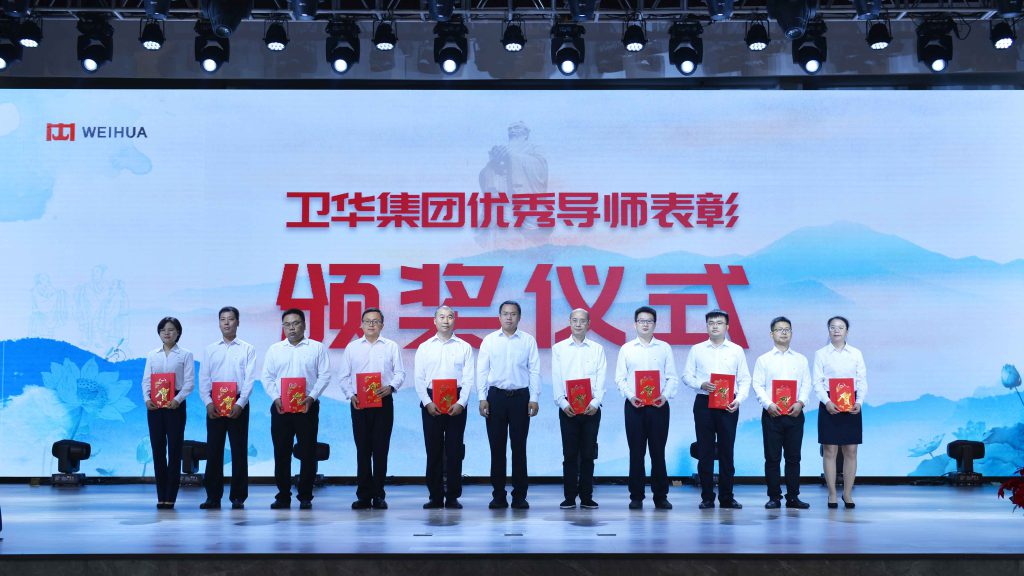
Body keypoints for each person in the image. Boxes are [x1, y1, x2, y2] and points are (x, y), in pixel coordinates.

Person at [262, 308, 331, 510]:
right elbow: (266, 377)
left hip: (307, 407)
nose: (291, 328)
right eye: (287, 324)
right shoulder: (275, 349)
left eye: (296, 323)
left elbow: (325, 375)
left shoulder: (316, 348)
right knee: (281, 452)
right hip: (281, 407)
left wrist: (312, 397)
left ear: (304, 325)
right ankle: (283, 496)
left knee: (307, 452)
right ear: (283, 327)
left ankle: (305, 496)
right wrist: (276, 398)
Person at [683, 309, 751, 510]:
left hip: (728, 404)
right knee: (705, 451)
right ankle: (707, 497)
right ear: (706, 326)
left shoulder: (736, 350)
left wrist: (738, 400)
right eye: (711, 323)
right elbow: (686, 376)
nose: (715, 326)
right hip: (704, 403)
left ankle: (727, 497)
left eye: (719, 323)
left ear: (727, 326)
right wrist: (701, 384)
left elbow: (744, 379)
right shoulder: (697, 349)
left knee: (726, 451)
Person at [339, 307, 405, 510]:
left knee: (381, 450)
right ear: (361, 325)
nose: (371, 324)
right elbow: (343, 376)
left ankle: (378, 495)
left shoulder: (391, 346)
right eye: (367, 321)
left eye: (375, 321)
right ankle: (363, 496)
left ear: (382, 325)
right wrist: (351, 395)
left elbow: (400, 373)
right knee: (363, 450)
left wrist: (391, 387)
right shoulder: (352, 348)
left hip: (383, 402)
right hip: (359, 403)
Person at [477, 300, 540, 509]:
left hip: (521, 398)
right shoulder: (489, 341)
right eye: (505, 313)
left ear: (519, 317)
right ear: (499, 316)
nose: (509, 317)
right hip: (495, 398)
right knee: (497, 448)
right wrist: (482, 397)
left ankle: (519, 496)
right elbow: (482, 371)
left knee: (519, 448)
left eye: (513, 314)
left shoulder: (528, 340)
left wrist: (534, 398)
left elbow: (534, 371)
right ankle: (498, 495)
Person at [615, 306, 678, 510]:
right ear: (635, 324)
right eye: (641, 321)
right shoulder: (627, 349)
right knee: (636, 452)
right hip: (634, 406)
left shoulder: (664, 348)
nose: (645, 324)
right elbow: (620, 378)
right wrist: (631, 396)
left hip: (659, 406)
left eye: (649, 321)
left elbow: (672, 377)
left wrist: (664, 396)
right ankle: (636, 496)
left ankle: (661, 496)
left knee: (658, 452)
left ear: (655, 324)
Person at [414, 305, 474, 510]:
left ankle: (453, 496)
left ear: (454, 320)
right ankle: (435, 496)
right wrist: (427, 402)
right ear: (434, 321)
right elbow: (419, 378)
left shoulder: (464, 347)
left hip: (456, 400)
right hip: (431, 400)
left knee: (455, 451)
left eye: (449, 317)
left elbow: (468, 378)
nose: (446, 320)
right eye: (441, 317)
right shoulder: (424, 347)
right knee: (433, 450)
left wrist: (461, 403)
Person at [198, 306, 255, 510]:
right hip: (215, 403)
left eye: (231, 319)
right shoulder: (210, 349)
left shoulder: (247, 349)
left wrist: (240, 403)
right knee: (214, 450)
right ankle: (213, 496)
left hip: (238, 403)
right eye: (223, 319)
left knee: (239, 450)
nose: (227, 323)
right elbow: (204, 379)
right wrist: (208, 402)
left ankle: (238, 496)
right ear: (219, 323)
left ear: (238, 322)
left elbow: (249, 380)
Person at [751, 316, 811, 510]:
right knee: (772, 458)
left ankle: (793, 497)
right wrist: (768, 404)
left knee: (794, 458)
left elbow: (806, 384)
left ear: (791, 333)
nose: (783, 332)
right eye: (779, 329)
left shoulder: (801, 359)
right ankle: (774, 497)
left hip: (795, 414)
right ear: (771, 334)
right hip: (772, 415)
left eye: (787, 329)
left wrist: (801, 402)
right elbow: (757, 385)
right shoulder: (763, 360)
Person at [552, 309, 607, 510]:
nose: (578, 324)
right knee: (569, 454)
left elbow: (601, 377)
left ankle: (586, 496)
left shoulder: (597, 349)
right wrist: (562, 402)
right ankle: (569, 496)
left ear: (588, 324)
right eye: (574, 320)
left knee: (588, 454)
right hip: (568, 407)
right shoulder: (559, 348)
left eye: (582, 321)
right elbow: (556, 378)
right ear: (569, 322)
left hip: (591, 407)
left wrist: (596, 402)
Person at [813, 315, 867, 509]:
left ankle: (847, 494)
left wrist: (859, 402)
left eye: (840, 327)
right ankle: (832, 494)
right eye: (832, 327)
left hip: (851, 403)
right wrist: (827, 401)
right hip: (829, 403)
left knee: (851, 450)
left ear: (846, 331)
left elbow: (862, 381)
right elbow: (817, 382)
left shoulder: (856, 353)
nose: (836, 330)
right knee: (830, 450)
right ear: (828, 330)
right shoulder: (821, 354)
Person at [141, 316, 194, 510]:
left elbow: (189, 383)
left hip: (175, 405)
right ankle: (161, 495)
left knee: (174, 450)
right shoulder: (152, 355)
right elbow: (146, 380)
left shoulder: (185, 355)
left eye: (171, 329)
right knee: (157, 449)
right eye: (163, 330)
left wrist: (177, 399)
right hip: (155, 406)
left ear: (178, 332)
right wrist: (147, 399)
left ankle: (171, 496)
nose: (167, 333)